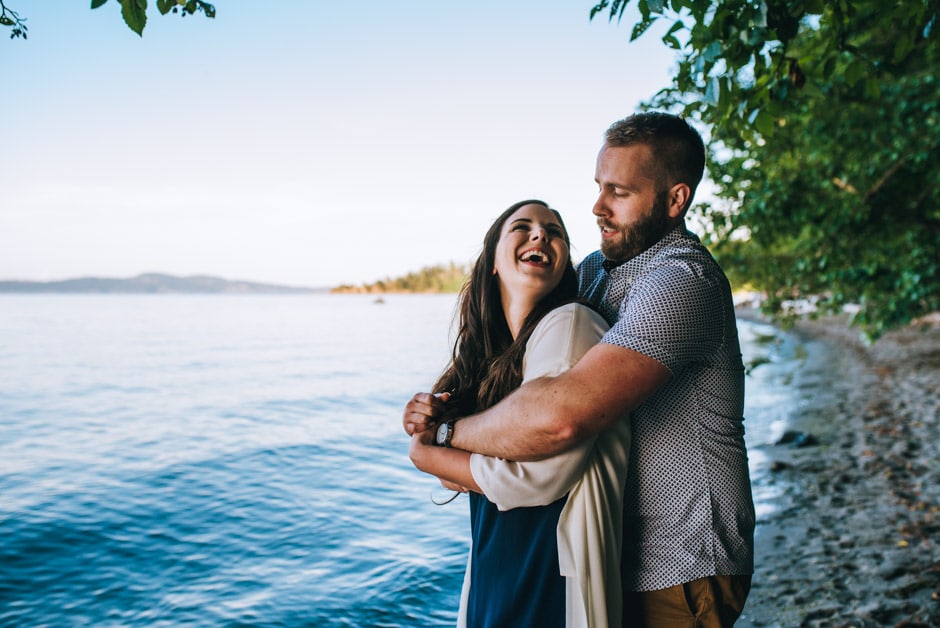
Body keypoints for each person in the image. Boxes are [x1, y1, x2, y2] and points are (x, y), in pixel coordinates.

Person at [404, 112, 755, 627]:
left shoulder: (682, 281)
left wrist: (450, 434)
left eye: (619, 192)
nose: (597, 207)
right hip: (613, 551)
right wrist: (443, 402)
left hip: (681, 559)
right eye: (598, 187)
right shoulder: (593, 272)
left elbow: (560, 416)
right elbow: (525, 354)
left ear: (676, 199)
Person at [407, 199, 631, 627]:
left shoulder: (571, 324)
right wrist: (426, 423)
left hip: (549, 583)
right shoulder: (494, 356)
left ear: (565, 265)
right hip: (495, 576)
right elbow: (459, 460)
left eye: (554, 231)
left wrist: (433, 448)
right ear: (493, 259)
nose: (540, 235)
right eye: (522, 226)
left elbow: (541, 478)